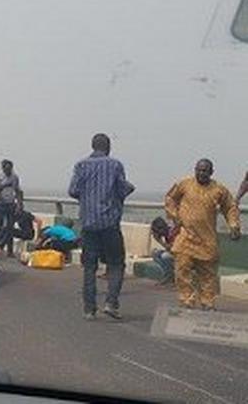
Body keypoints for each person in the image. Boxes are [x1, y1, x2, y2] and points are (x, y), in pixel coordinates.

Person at [68, 133, 135, 321]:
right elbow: (122, 189)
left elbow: (73, 190)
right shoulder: (115, 165)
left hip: (88, 223)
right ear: (108, 146)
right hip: (109, 223)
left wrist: (88, 196)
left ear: (92, 146)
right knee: (116, 264)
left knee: (89, 267)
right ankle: (111, 303)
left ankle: (89, 309)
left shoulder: (81, 165)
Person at [165, 159, 241, 310]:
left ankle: (207, 302)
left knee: (208, 274)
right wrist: (175, 216)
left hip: (207, 239)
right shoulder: (185, 184)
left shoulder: (219, 189)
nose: (201, 173)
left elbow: (230, 207)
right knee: (182, 269)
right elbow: (170, 198)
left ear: (211, 172)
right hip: (186, 236)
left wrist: (233, 225)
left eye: (205, 171)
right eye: (198, 170)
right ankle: (186, 300)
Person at [0, 159, 22, 258]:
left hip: (10, 203)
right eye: (6, 169)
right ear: (3, 168)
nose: (8, 171)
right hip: (0, 203)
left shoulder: (14, 177)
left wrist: (19, 204)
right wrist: (5, 185)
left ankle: (10, 251)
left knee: (10, 228)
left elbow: (17, 191)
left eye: (10, 169)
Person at [150, 217, 178, 286]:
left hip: (180, 254)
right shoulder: (166, 234)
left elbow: (172, 249)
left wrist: (160, 241)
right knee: (155, 254)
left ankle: (171, 276)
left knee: (165, 256)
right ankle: (168, 275)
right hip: (174, 253)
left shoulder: (172, 232)